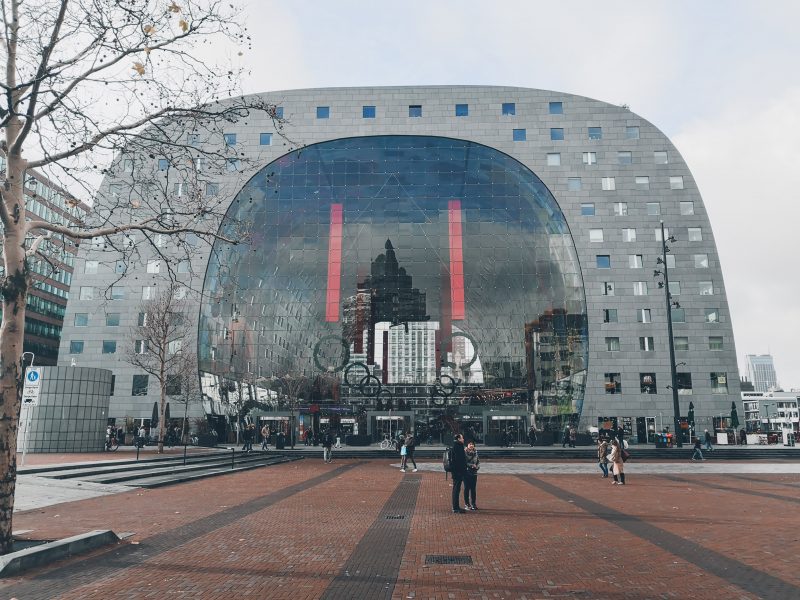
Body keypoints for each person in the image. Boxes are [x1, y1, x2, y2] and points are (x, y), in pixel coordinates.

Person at [450, 433, 467, 513]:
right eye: (462, 438)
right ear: (459, 439)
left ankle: (455, 506)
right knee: (456, 489)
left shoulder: (456, 446)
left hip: (456, 471)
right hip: (458, 472)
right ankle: (455, 507)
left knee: (456, 489)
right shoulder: (458, 447)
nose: (463, 439)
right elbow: (459, 460)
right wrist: (462, 471)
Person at [463, 440, 480, 510]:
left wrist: (477, 467)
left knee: (473, 489)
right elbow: (464, 462)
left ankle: (473, 504)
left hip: (474, 472)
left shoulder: (476, 452)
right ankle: (467, 504)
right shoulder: (464, 452)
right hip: (466, 472)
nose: (471, 445)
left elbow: (478, 461)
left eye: (472, 444)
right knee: (467, 488)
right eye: (470, 444)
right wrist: (471, 465)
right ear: (467, 445)